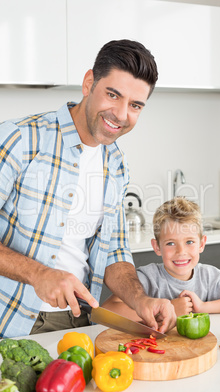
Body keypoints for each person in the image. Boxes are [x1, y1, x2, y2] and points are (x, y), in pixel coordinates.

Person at [0, 39, 176, 338]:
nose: (121, 114)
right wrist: (39, 274)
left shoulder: (116, 163)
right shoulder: (20, 139)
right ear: (88, 83)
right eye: (112, 94)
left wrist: (139, 299)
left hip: (82, 321)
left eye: (135, 105)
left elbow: (114, 251)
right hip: (12, 318)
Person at [102, 197, 220, 319]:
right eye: (171, 243)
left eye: (189, 242)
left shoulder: (209, 277)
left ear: (202, 243)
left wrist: (203, 307)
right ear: (157, 246)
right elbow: (106, 310)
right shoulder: (147, 277)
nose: (181, 251)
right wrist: (166, 310)